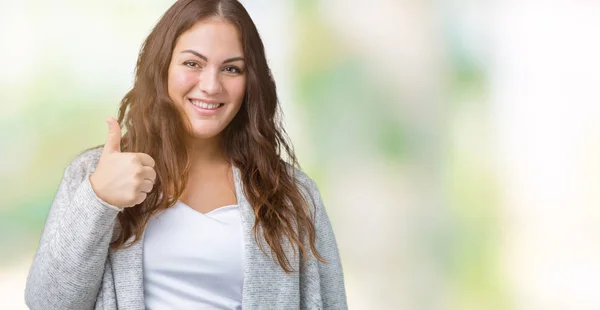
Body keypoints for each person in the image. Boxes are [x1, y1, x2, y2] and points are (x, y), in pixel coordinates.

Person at [24, 0, 347, 309]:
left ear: (252, 82)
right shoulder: (94, 174)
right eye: (193, 63)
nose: (210, 85)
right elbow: (47, 303)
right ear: (162, 67)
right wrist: (99, 200)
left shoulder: (293, 196)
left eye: (231, 69)